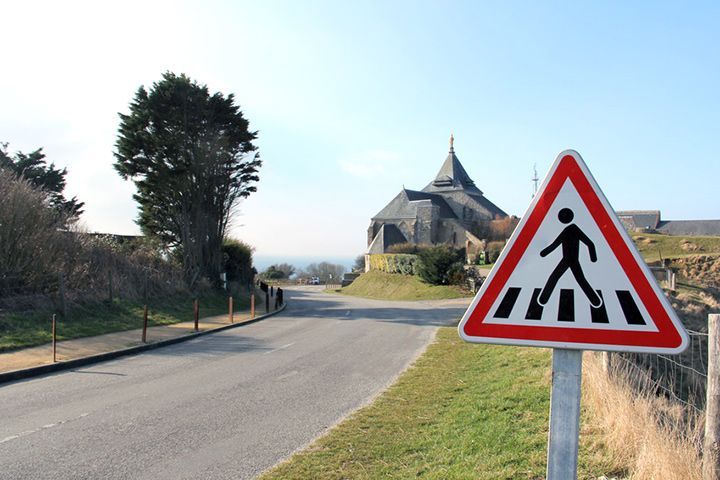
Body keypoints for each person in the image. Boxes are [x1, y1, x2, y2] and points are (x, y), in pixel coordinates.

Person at [538, 208, 602, 308]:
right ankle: (595, 301)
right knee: (579, 279)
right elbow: (590, 244)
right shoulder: (573, 230)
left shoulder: (569, 230)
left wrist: (543, 253)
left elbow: (555, 244)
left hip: (568, 260)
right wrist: (593, 258)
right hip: (571, 260)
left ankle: (543, 299)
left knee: (556, 277)